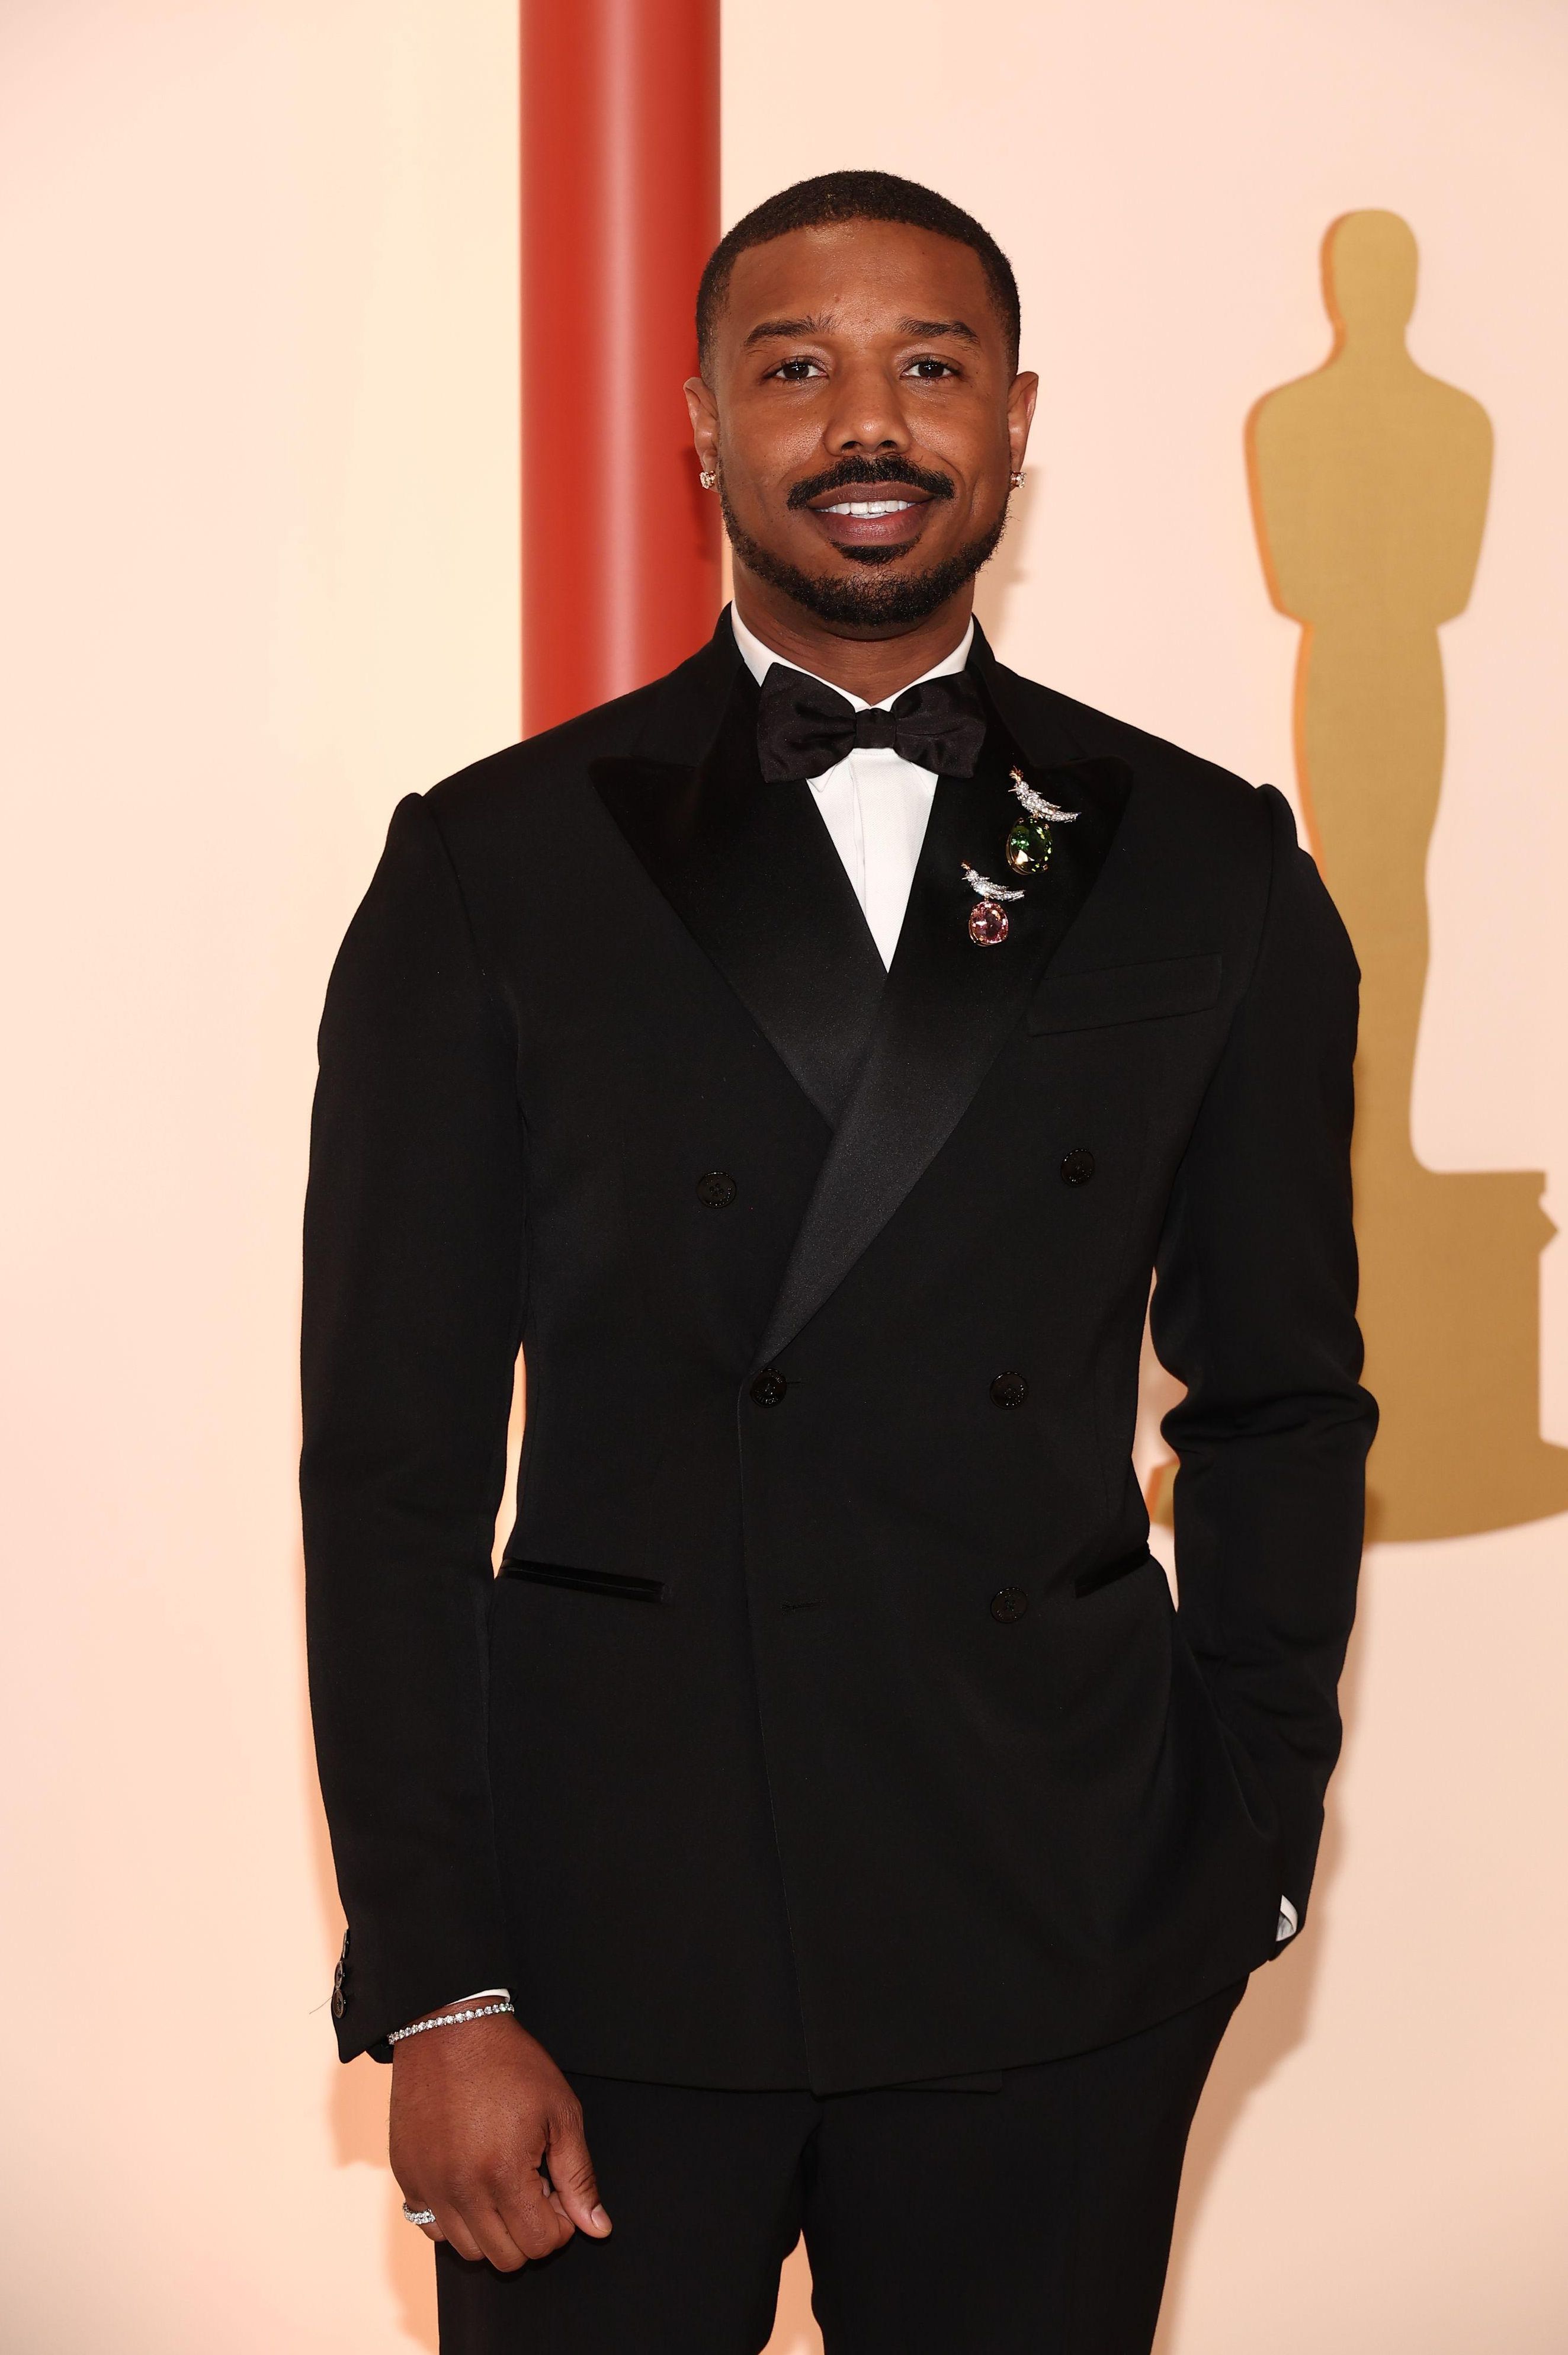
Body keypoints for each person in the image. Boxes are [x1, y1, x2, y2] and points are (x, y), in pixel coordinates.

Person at [303, 170, 1375, 2354]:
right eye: (794, 368)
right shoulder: (493, 862)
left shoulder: (1208, 862)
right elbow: (391, 1474)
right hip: (603, 1954)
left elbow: (1283, 1397)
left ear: (1014, 418)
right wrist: (439, 1977)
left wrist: (1251, 1830)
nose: (864, 422)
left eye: (929, 367)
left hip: (1057, 1926)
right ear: (701, 426)